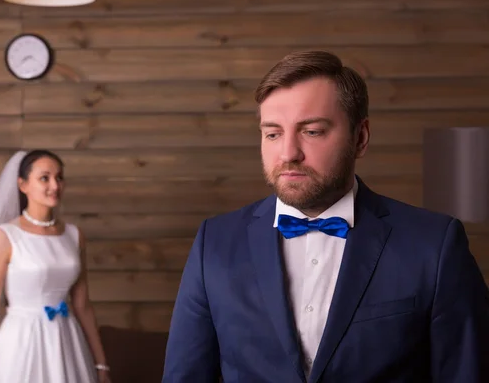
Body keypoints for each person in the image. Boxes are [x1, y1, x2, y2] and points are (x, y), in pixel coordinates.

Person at [162, 50, 489, 382]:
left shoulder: (434, 245)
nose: (288, 153)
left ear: (359, 138)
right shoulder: (213, 243)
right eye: (273, 133)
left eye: (312, 131)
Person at [0, 149, 111, 383]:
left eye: (59, 177)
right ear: (23, 185)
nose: (54, 185)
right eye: (44, 178)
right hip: (21, 341)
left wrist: (101, 363)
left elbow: (83, 305)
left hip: (66, 341)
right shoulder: (6, 236)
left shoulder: (74, 235)